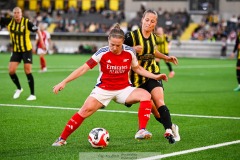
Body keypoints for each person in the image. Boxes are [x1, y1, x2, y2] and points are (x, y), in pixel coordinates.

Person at [52, 24, 168, 146]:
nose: (114, 48)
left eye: (118, 45)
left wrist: (155, 76)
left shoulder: (130, 52)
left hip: (124, 89)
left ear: (123, 42)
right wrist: (64, 82)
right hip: (103, 89)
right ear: (108, 40)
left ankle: (141, 130)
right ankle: (61, 139)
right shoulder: (101, 52)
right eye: (112, 44)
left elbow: (137, 68)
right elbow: (83, 68)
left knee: (145, 95)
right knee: (84, 110)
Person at [124, 9, 180, 144]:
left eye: (153, 21)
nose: (149, 23)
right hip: (136, 79)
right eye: (147, 20)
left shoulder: (154, 37)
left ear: (156, 24)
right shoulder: (131, 36)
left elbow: (153, 51)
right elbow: (117, 51)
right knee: (156, 112)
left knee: (159, 101)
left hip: (152, 75)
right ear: (142, 20)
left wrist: (167, 57)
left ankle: (168, 130)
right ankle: (172, 126)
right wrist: (131, 49)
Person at [0, 7, 45, 100]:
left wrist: (42, 43)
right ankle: (19, 88)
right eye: (15, 13)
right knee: (11, 71)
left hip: (26, 50)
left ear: (21, 14)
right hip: (16, 50)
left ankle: (32, 94)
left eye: (18, 13)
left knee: (27, 70)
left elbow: (38, 31)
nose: (16, 14)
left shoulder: (26, 22)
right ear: (13, 14)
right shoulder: (9, 21)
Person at [230, 27, 240, 91]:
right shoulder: (239, 34)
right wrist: (233, 52)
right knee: (238, 71)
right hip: (239, 56)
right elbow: (237, 44)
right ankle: (239, 85)